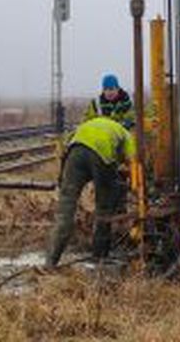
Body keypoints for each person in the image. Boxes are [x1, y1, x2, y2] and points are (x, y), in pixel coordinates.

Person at [45, 114, 135, 267]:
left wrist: (62, 179)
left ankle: (51, 260)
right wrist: (131, 184)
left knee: (65, 209)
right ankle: (99, 257)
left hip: (75, 153)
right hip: (101, 154)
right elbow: (133, 162)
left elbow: (64, 151)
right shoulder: (124, 134)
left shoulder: (91, 123)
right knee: (104, 208)